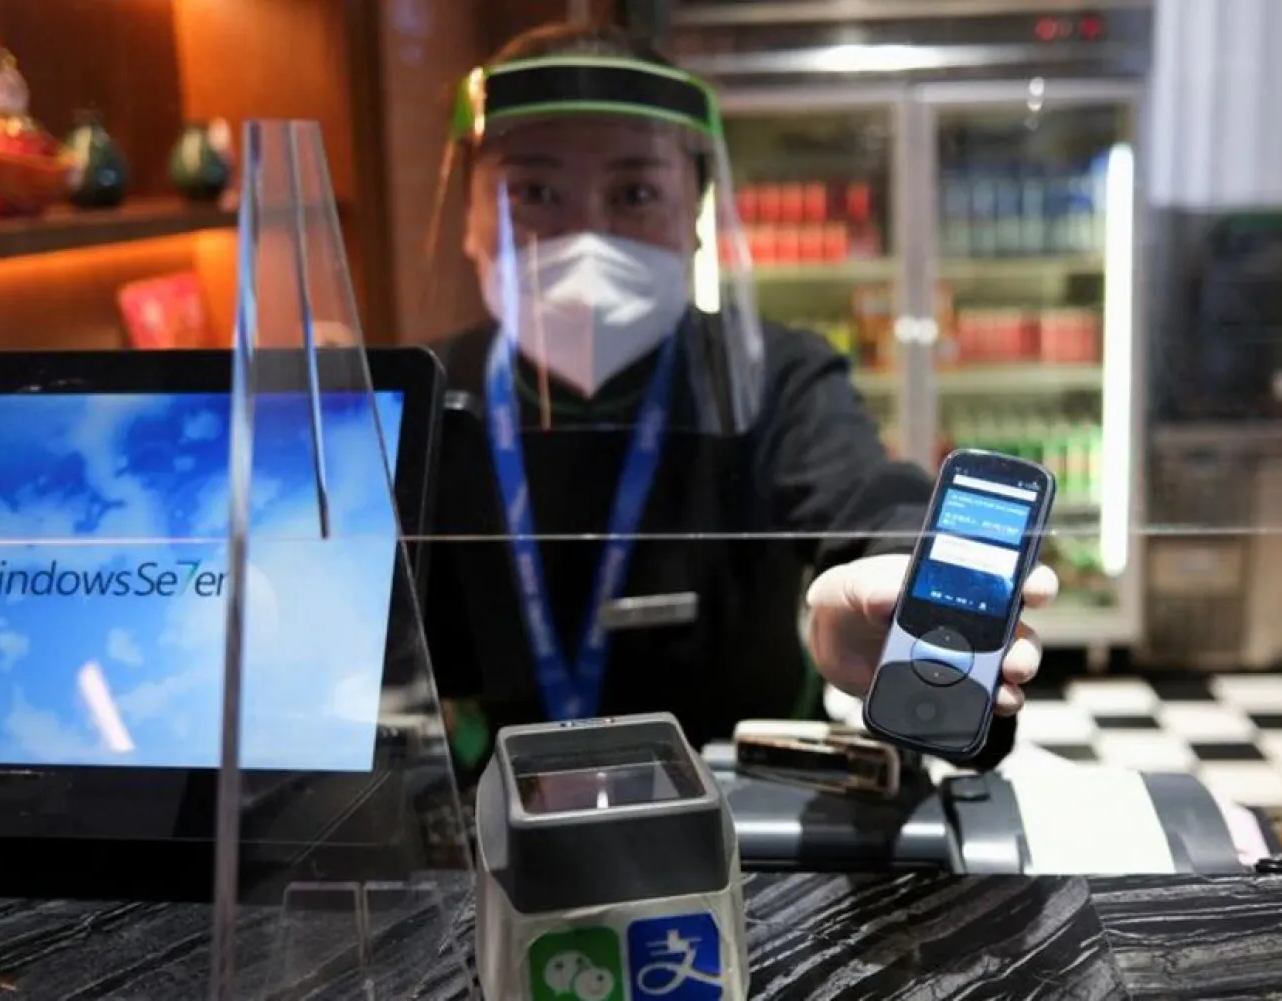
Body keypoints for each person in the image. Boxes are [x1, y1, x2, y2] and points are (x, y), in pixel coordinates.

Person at [424, 22, 1059, 772]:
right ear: (470, 216)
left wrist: (900, 591)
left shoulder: (774, 370)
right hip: (488, 798)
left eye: (634, 193)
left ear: (694, 218)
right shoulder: (424, 391)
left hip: (747, 792)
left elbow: (868, 492)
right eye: (534, 192)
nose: (587, 237)